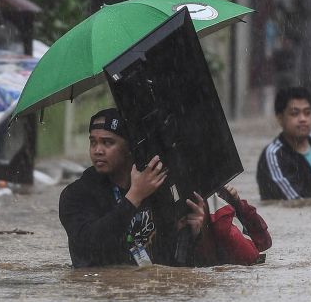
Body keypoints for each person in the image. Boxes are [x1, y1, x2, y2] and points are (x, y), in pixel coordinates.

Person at [59, 108, 205, 268]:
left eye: (108, 142)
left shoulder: (158, 188)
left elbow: (173, 266)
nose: (97, 151)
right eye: (93, 142)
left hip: (147, 288)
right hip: (99, 289)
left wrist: (191, 233)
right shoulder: (76, 195)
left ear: (130, 147)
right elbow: (90, 246)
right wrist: (133, 198)